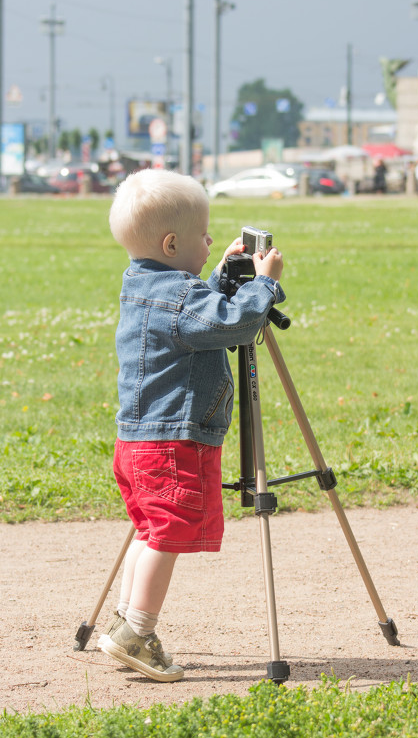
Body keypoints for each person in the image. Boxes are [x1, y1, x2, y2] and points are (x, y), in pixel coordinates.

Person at [100, 169, 285, 682]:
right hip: (173, 440)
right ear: (172, 242)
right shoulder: (180, 300)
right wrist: (264, 283)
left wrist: (224, 277)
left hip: (137, 441)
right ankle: (137, 631)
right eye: (204, 234)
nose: (210, 240)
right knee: (169, 532)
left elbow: (199, 314)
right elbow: (233, 324)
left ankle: (123, 622)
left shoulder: (143, 284)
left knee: (149, 528)